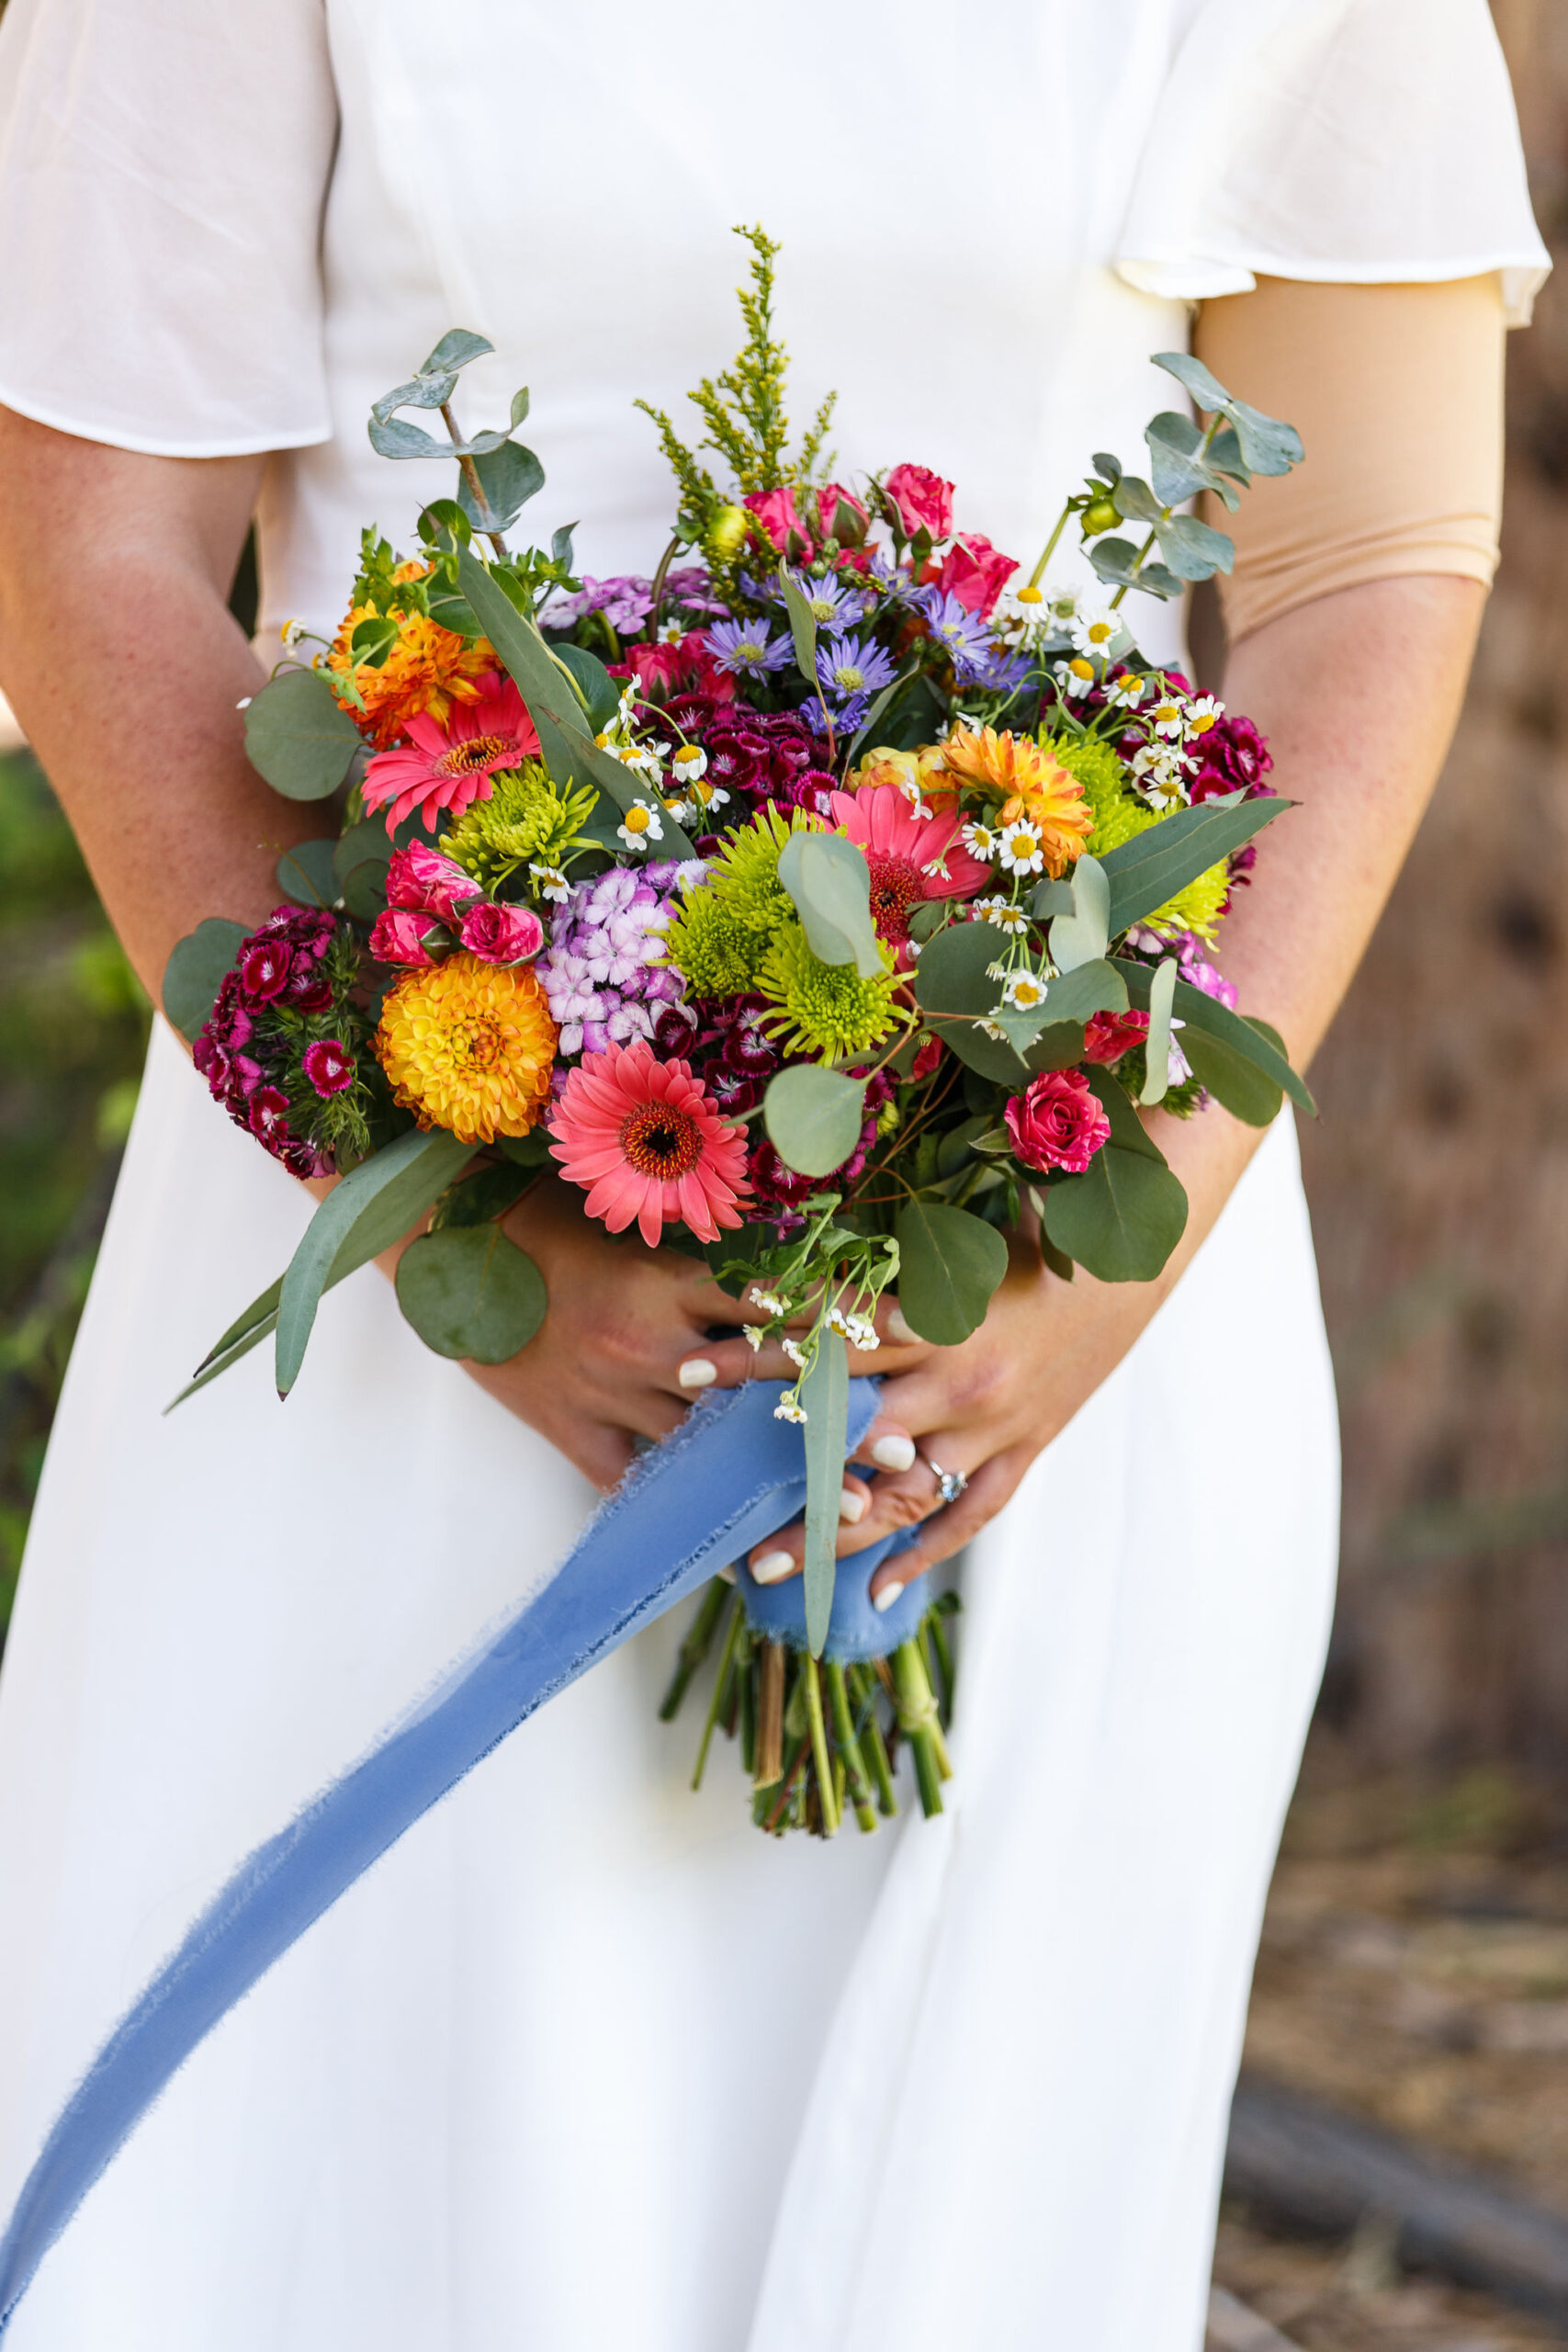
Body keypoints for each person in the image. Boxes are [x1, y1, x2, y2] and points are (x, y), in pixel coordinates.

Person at [0, 2, 1548, 2346]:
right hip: (403, 1232)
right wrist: (448, 1224)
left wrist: (1120, 1232)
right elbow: (93, 543)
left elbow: (1366, 560)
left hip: (1044, 1274)